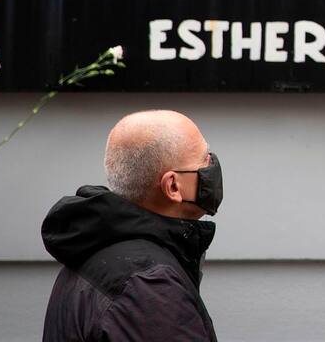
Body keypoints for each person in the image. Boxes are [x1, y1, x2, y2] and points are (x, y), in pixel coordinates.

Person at [41, 110, 224, 341]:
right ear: (173, 187)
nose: (212, 166)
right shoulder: (149, 287)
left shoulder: (93, 248)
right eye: (204, 160)